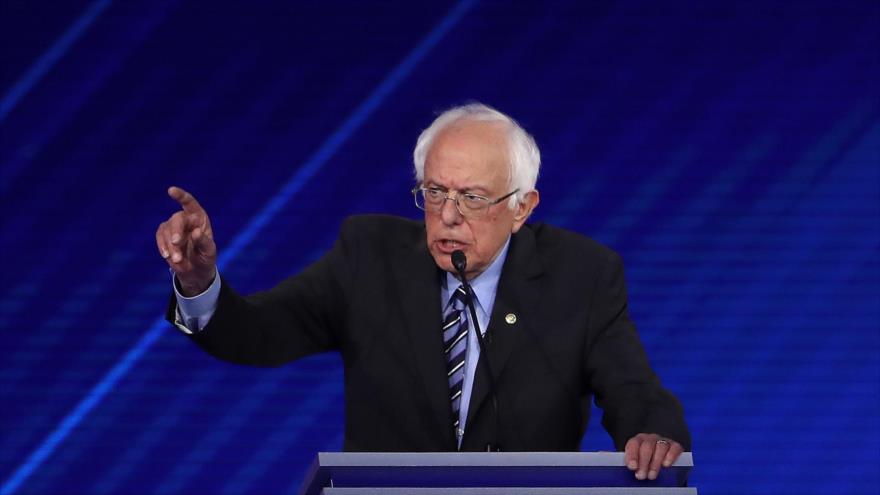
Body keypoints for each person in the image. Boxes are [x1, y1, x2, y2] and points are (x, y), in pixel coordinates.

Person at [156, 103, 690, 481]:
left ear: (522, 208)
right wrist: (199, 282)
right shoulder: (369, 256)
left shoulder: (582, 275)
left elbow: (634, 391)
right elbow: (260, 334)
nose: (449, 217)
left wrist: (651, 435)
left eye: (473, 197)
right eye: (435, 192)